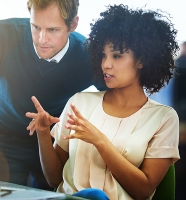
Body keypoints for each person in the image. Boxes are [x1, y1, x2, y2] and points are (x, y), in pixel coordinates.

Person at [26, 4, 180, 199]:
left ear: (142, 60)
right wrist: (42, 134)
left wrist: (99, 141)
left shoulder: (163, 118)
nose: (106, 64)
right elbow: (54, 179)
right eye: (103, 55)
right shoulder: (79, 103)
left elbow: (144, 191)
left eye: (117, 56)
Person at [0, 0, 106, 190]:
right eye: (36, 27)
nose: (41, 39)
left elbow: (118, 94)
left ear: (72, 25)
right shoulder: (1, 35)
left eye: (52, 30)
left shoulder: (87, 56)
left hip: (52, 144)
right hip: (2, 137)